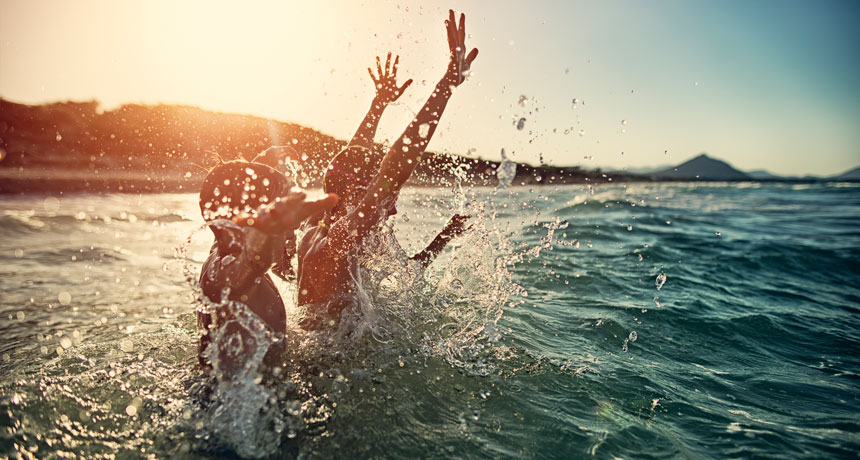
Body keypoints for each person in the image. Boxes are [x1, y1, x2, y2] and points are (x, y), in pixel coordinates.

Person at [296, 9, 479, 325]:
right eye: (387, 201)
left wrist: (377, 106)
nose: (390, 212)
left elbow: (350, 163)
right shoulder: (342, 237)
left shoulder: (317, 224)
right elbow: (395, 167)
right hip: (331, 368)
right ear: (357, 194)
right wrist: (448, 84)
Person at [196, 159, 337, 368]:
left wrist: (261, 166)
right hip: (236, 399)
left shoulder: (221, 247)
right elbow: (248, 267)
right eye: (276, 213)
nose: (296, 225)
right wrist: (269, 233)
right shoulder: (221, 271)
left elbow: (229, 219)